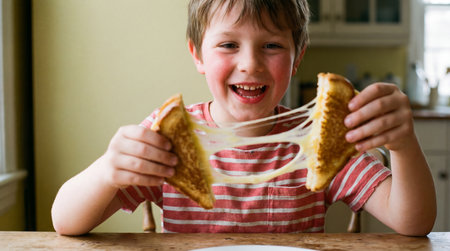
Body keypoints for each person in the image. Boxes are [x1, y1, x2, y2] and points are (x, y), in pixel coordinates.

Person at [51, 0, 436, 236]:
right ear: (197, 54)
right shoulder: (168, 141)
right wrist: (107, 169)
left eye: (271, 45)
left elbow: (413, 222)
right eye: (228, 45)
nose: (250, 64)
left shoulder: (319, 140)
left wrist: (402, 144)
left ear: (297, 56)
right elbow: (65, 222)